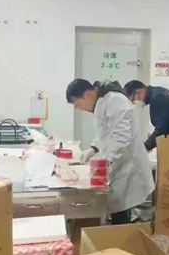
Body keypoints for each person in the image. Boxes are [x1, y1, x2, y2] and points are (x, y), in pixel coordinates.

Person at [66, 79, 154, 224]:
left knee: (122, 208)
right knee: (117, 206)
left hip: (129, 164)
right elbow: (105, 132)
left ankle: (121, 235)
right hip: (118, 163)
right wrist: (93, 149)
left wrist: (106, 162)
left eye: (77, 104)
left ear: (87, 94)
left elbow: (121, 137)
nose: (79, 108)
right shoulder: (101, 103)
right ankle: (117, 232)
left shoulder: (115, 101)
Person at [124, 80, 169, 151]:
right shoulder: (157, 94)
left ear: (138, 92)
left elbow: (161, 129)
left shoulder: (158, 97)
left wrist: (145, 147)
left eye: (133, 100)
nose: (135, 102)